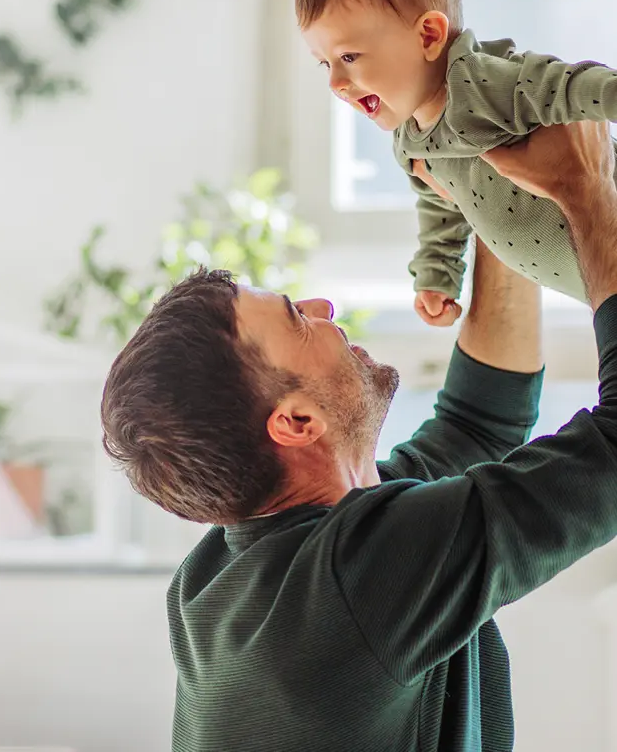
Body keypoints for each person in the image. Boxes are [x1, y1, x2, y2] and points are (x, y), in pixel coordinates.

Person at [100, 120, 617, 751]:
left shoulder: (222, 573)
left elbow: (478, 423)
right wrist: (587, 195)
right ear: (295, 422)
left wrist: (497, 204)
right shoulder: (356, 577)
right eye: (297, 318)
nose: (322, 308)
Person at [295, 0, 617, 327]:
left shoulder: (480, 84)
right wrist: (438, 272)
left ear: (428, 35)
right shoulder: (411, 140)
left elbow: (568, 86)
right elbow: (442, 203)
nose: (337, 82)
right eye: (325, 64)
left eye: (349, 57)